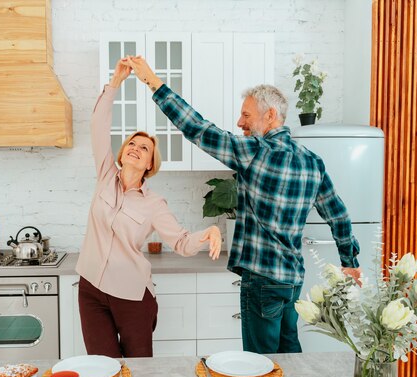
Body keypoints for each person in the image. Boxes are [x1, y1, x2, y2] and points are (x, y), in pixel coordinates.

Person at [126, 56, 361, 354]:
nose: (240, 123)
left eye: (246, 115)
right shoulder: (313, 162)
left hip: (262, 280)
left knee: (261, 364)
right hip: (291, 282)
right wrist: (349, 262)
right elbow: (338, 215)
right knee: (290, 357)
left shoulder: (254, 152)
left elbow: (197, 128)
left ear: (270, 115)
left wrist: (153, 82)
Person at [75, 58, 222, 358]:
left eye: (144, 148)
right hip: (90, 290)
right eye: (132, 143)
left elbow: (181, 242)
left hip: (132, 297)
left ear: (150, 165)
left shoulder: (154, 204)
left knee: (139, 375)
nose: (135, 148)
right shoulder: (105, 176)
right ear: (122, 151)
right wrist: (115, 82)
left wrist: (209, 231)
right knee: (103, 369)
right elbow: (97, 126)